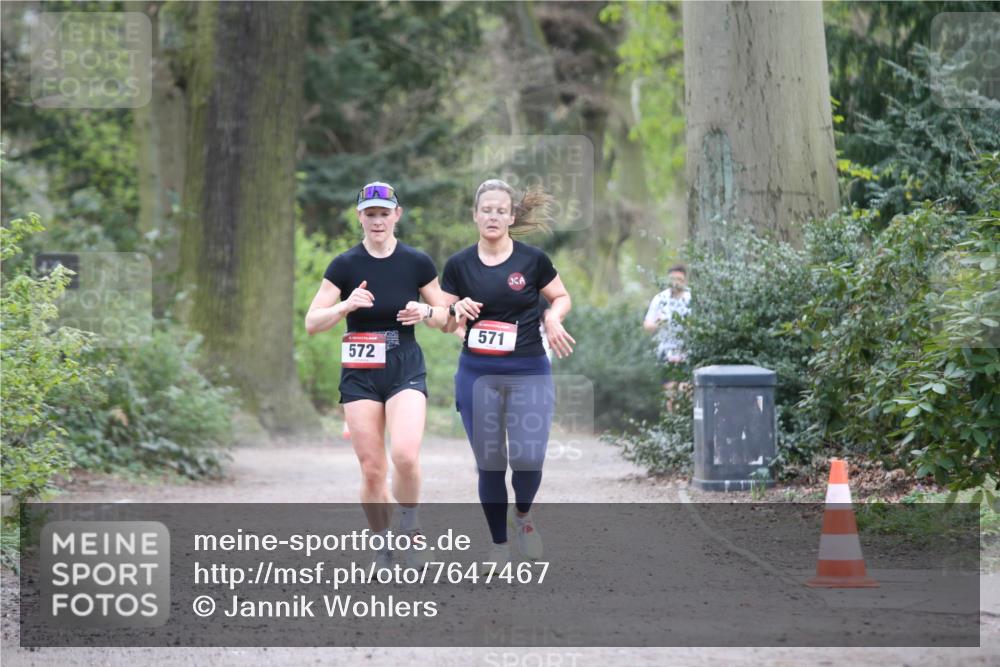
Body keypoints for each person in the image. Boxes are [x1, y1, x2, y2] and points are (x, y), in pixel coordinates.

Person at [305, 182, 451, 569]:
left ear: (396, 216)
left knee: (404, 454)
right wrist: (344, 307)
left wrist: (426, 312)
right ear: (360, 217)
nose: (377, 221)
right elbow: (311, 322)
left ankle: (411, 528)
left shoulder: (417, 262)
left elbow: (448, 320)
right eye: (370, 214)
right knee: (373, 469)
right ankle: (383, 545)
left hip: (404, 365)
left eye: (384, 213)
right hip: (360, 372)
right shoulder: (345, 265)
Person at [439, 178, 575, 567]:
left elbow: (561, 296)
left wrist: (553, 316)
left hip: (529, 368)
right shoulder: (459, 265)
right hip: (477, 373)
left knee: (529, 457)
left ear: (511, 216)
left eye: (501, 210)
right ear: (475, 215)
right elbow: (446, 323)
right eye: (486, 210)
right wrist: (455, 313)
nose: (493, 216)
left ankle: (523, 517)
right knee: (491, 462)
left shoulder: (532, 261)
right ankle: (498, 545)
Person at [643, 264, 691, 411]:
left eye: (679, 279)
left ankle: (685, 426)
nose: (676, 282)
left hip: (688, 352)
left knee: (687, 391)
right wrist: (659, 323)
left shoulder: (691, 299)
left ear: (685, 281)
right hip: (666, 352)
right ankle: (672, 426)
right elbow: (647, 325)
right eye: (672, 279)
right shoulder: (660, 299)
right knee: (670, 393)